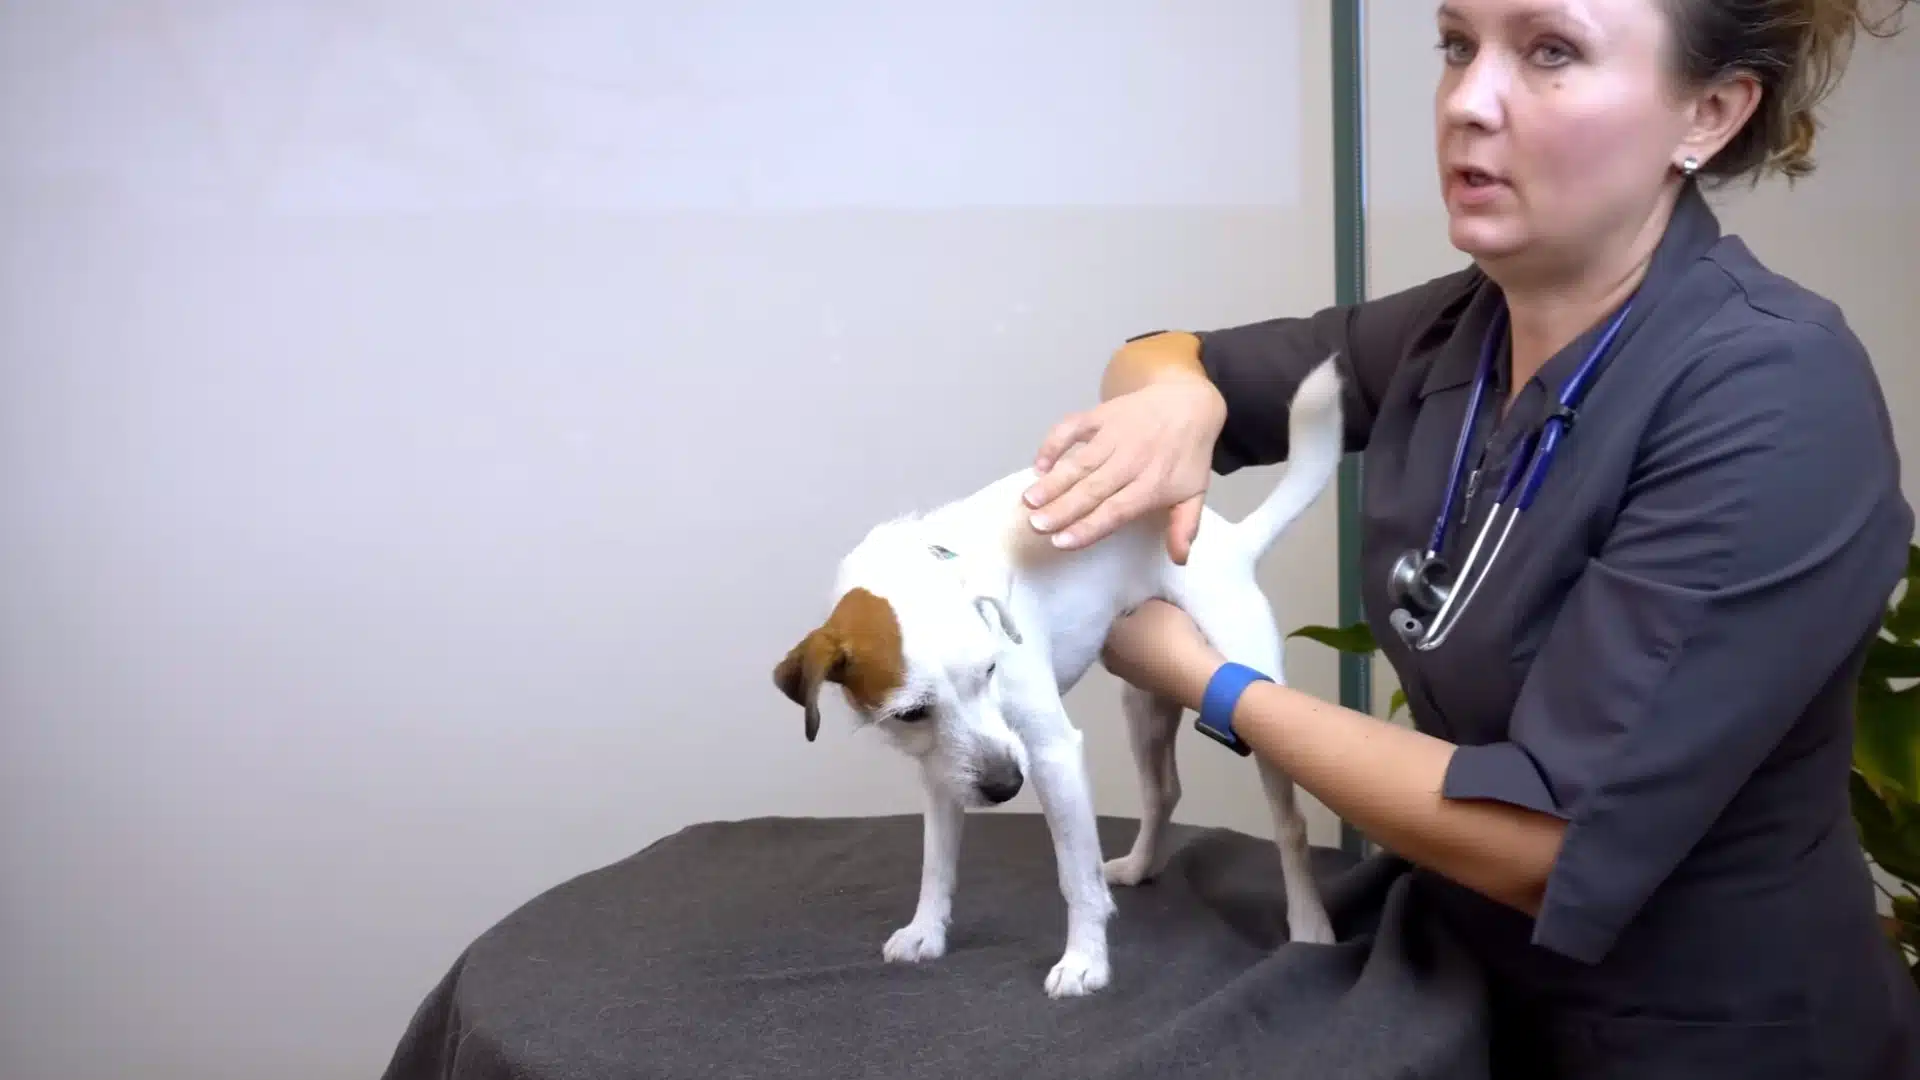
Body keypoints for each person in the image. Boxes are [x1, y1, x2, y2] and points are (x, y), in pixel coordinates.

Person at [1020, 0, 1920, 1076]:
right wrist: (1172, 407)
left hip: (1700, 1034)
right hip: (1461, 988)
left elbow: (1540, 839)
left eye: (1550, 52)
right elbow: (1166, 356)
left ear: (1710, 113)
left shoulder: (1774, 392)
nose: (1467, 102)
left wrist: (1206, 680)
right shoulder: (1460, 327)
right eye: (1457, 45)